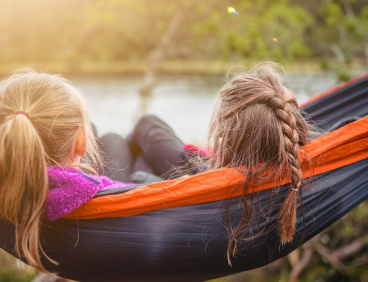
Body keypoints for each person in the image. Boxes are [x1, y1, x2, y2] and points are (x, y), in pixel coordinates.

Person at [101, 62, 312, 261]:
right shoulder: (303, 165)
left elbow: (141, 180)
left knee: (116, 139)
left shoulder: (215, 196)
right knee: (144, 130)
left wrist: (216, 164)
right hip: (209, 174)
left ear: (225, 140)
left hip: (196, 184)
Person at [0, 69, 134, 272]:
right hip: (123, 202)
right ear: (81, 142)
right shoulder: (111, 191)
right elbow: (145, 192)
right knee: (133, 131)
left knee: (105, 134)